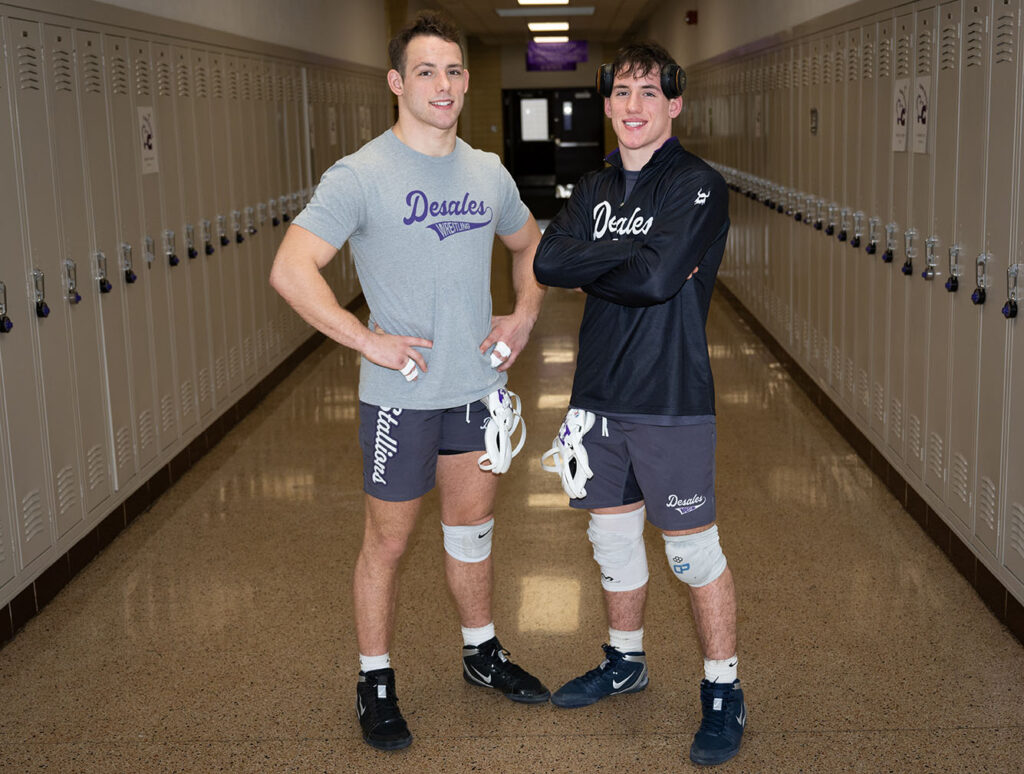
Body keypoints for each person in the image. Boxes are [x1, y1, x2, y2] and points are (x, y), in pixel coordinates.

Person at [269, 10, 548, 752]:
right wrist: (367, 341)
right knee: (387, 546)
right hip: (401, 399)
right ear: (397, 82)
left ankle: (482, 652)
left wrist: (522, 315)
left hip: (478, 392)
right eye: (426, 71)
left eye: (454, 70)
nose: (445, 84)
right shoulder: (360, 175)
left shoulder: (488, 171)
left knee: (472, 533)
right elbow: (291, 270)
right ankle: (375, 678)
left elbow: (531, 245)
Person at [533, 42, 745, 767]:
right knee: (611, 542)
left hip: (669, 395)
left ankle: (723, 690)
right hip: (595, 397)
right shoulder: (593, 186)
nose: (632, 106)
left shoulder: (697, 185)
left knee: (691, 552)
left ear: (675, 103)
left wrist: (596, 262)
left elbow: (656, 283)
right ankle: (625, 660)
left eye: (649, 93)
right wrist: (628, 260)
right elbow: (546, 260)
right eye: (621, 92)